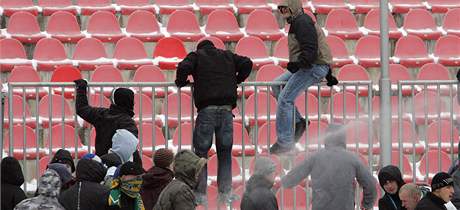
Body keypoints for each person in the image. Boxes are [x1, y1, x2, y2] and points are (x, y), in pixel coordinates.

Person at [175, 39, 252, 203]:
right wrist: (237, 79)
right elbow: (247, 63)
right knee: (225, 153)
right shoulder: (227, 55)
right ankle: (225, 192)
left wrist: (181, 82)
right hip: (226, 111)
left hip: (206, 111)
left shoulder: (197, 56)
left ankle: (200, 194)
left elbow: (183, 67)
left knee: (201, 154)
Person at [270, 0, 338, 154]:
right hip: (312, 65)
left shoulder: (302, 22)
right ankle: (299, 122)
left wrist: (299, 65)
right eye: (280, 9)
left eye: (285, 8)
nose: (282, 11)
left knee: (285, 100)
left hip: (312, 66)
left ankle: (285, 143)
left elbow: (311, 50)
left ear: (293, 6)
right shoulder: (299, 21)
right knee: (276, 84)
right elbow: (320, 47)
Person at [280, 124, 377, 210]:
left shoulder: (315, 157)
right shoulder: (352, 158)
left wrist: (284, 181)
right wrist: (366, 205)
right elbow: (371, 184)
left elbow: (289, 180)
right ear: (343, 138)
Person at [74, 79, 142, 167]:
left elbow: (82, 109)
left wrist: (81, 89)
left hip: (102, 162)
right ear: (131, 103)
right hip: (121, 167)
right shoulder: (128, 122)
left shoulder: (101, 114)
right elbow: (129, 147)